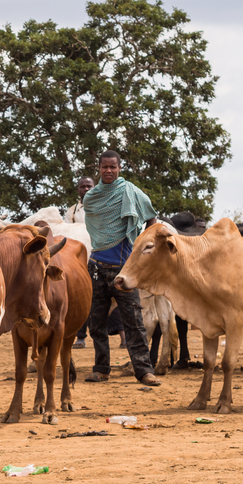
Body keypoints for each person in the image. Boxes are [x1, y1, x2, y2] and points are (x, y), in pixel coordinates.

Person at [81, 150, 160, 386]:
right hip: (96, 267)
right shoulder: (91, 198)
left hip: (125, 270)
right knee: (96, 322)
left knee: (134, 321)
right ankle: (101, 369)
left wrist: (143, 245)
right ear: (99, 168)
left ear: (119, 168)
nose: (108, 171)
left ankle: (144, 371)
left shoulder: (130, 191)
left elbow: (151, 217)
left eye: (113, 167)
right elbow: (97, 229)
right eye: (105, 167)